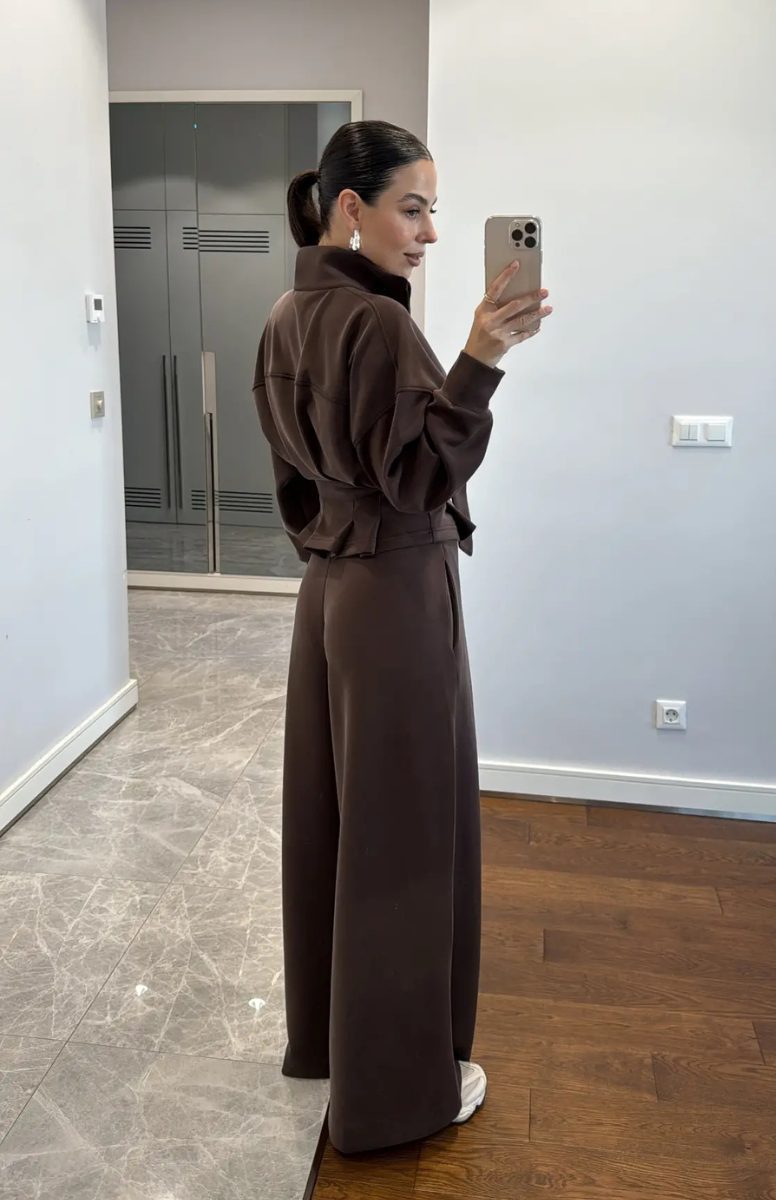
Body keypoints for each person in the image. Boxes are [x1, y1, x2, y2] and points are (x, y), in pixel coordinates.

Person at [252, 120, 552, 1156]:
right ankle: (397, 1098)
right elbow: (423, 475)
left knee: (341, 825)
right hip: (394, 593)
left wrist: (339, 547)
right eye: (411, 208)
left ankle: (332, 1045)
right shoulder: (379, 325)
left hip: (330, 597)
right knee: (404, 842)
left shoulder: (285, 315)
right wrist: (481, 357)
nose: (427, 233)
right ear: (351, 209)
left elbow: (294, 491)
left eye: (432, 211)